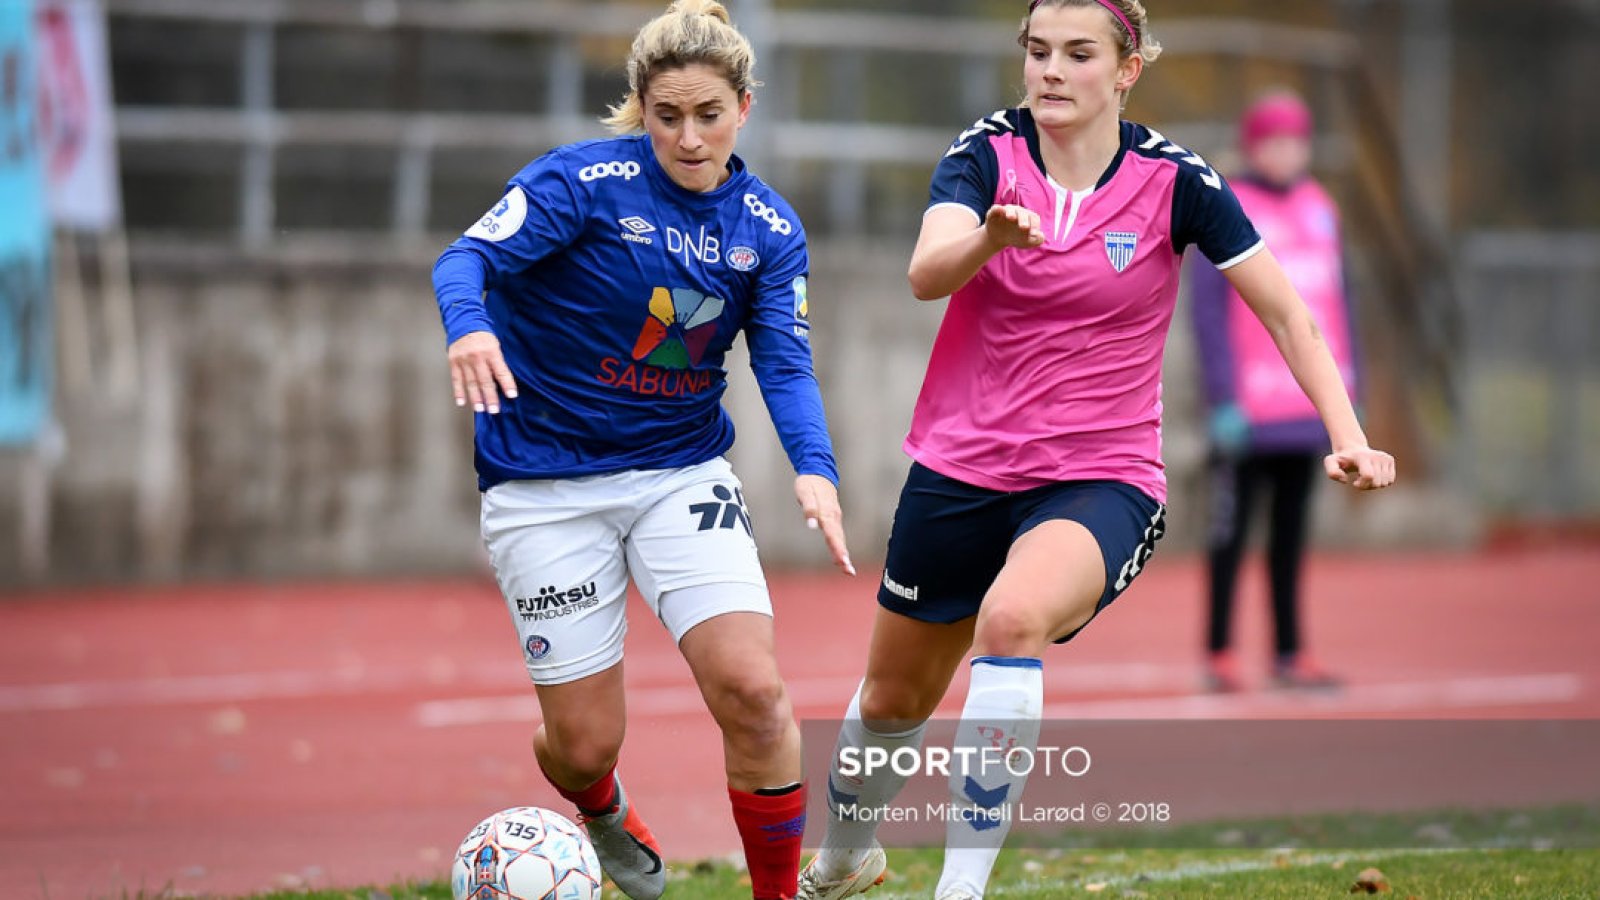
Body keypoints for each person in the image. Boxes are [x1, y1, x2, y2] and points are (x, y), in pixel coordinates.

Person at [796, 2, 1395, 899]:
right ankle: (843, 862)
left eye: (1079, 54)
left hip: (1101, 477)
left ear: (1126, 70)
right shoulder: (984, 154)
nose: (1051, 72)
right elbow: (925, 275)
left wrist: (1348, 436)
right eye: (1038, 51)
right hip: (961, 466)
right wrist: (989, 235)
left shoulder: (1175, 179)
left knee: (1009, 621)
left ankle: (959, 891)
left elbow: (1284, 310)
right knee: (890, 702)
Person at [430, 2, 855, 898]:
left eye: (709, 115)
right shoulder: (582, 182)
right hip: (542, 481)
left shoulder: (768, 230)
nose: (689, 138)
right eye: (668, 116)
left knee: (755, 693)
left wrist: (816, 469)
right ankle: (604, 811)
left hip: (681, 475)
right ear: (639, 108)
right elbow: (464, 260)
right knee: (583, 745)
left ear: (746, 105)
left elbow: (783, 363)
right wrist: (468, 330)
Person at [1192, 89, 1360, 693]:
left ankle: (1290, 651)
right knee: (1229, 533)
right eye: (1276, 141)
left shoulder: (1321, 207)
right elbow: (1209, 312)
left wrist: (1349, 390)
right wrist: (1221, 399)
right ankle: (1219, 651)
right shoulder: (1227, 204)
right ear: (1253, 145)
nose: (1288, 153)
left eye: (1297, 140)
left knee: (1292, 535)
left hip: (1304, 410)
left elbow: (1340, 306)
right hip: (1249, 409)